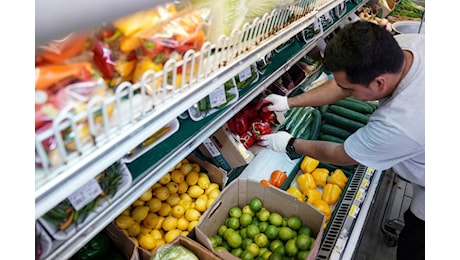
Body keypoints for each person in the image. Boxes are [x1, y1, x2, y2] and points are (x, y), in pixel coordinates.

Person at [256, 21, 424, 260]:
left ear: (379, 83)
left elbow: (342, 155)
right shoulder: (407, 46)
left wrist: (290, 144)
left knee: (416, 243)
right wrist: (290, 102)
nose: (347, 92)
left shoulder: (401, 123)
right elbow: (341, 85)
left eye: (351, 89)